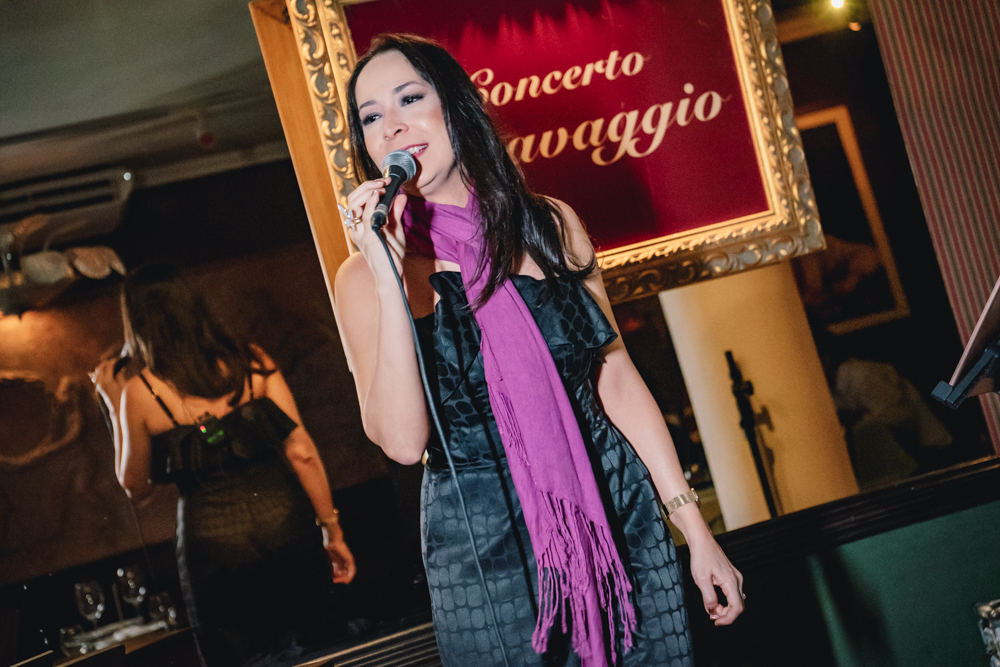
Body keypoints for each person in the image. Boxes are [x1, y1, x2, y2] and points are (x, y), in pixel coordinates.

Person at [333, 34, 744, 667]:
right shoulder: (362, 278)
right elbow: (403, 442)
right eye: (370, 117)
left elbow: (617, 384)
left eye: (409, 99)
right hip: (484, 551)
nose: (391, 126)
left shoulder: (549, 224)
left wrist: (695, 529)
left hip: (614, 513)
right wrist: (388, 276)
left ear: (456, 107)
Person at [92, 263, 356, 667]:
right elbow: (301, 452)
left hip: (212, 546)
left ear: (138, 324)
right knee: (322, 647)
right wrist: (331, 530)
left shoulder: (140, 393)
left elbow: (135, 487)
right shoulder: (252, 362)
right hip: (286, 524)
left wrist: (114, 405)